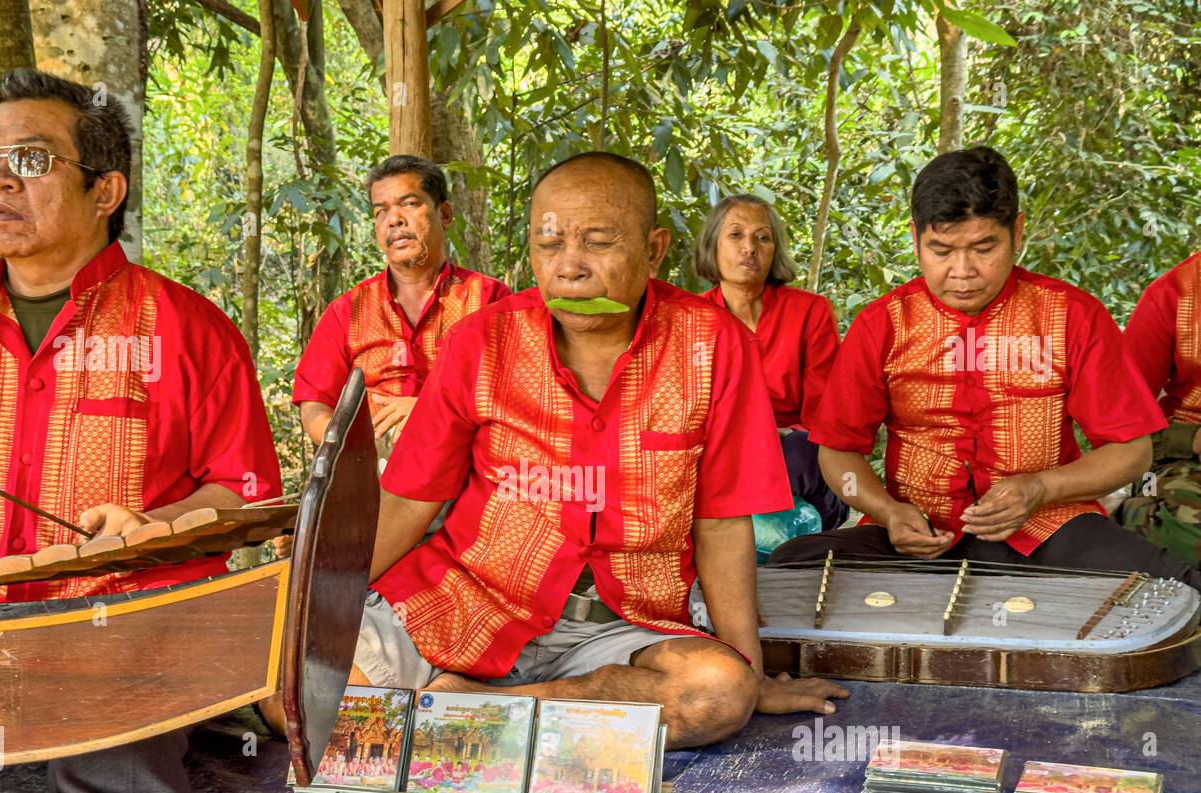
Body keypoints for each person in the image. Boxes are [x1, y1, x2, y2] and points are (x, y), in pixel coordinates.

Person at [0, 69, 281, 793]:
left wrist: (155, 523)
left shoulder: (188, 331)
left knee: (114, 779)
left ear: (106, 190)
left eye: (32, 161)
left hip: (116, 636)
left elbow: (244, 494)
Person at [351, 151, 848, 750]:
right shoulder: (482, 341)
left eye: (598, 242)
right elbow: (407, 500)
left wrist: (751, 668)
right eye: (548, 244)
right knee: (290, 683)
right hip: (466, 602)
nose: (568, 269)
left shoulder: (713, 347)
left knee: (716, 694)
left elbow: (721, 522)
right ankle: (483, 714)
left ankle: (470, 710)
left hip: (620, 631)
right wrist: (323, 601)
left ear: (655, 249)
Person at [770, 146, 1200, 590]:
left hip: (1048, 526)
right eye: (941, 250)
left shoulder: (1071, 315)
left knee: (1179, 593)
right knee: (790, 569)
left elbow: (1132, 451)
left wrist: (1039, 488)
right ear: (915, 237)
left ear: (1017, 232)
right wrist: (887, 511)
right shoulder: (884, 323)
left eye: (983, 247)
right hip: (915, 534)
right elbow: (837, 451)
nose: (962, 271)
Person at [292, 155, 509, 461]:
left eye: (409, 204)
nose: (394, 220)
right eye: (381, 211)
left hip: (465, 467)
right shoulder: (348, 311)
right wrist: (351, 448)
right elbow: (315, 403)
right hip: (371, 469)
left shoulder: (489, 299)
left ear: (445, 214)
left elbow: (513, 394)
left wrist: (430, 410)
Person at [694, 194, 847, 528]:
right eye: (735, 235)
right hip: (723, 456)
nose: (749, 247)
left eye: (762, 238)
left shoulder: (810, 311)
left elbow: (824, 415)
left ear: (775, 250)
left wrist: (775, 435)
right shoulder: (691, 319)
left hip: (792, 458)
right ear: (712, 245)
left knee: (802, 452)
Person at [1117, 250, 1201, 562]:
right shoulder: (1174, 293)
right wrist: (1190, 438)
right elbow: (1118, 421)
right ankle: (1134, 511)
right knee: (1183, 532)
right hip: (1181, 456)